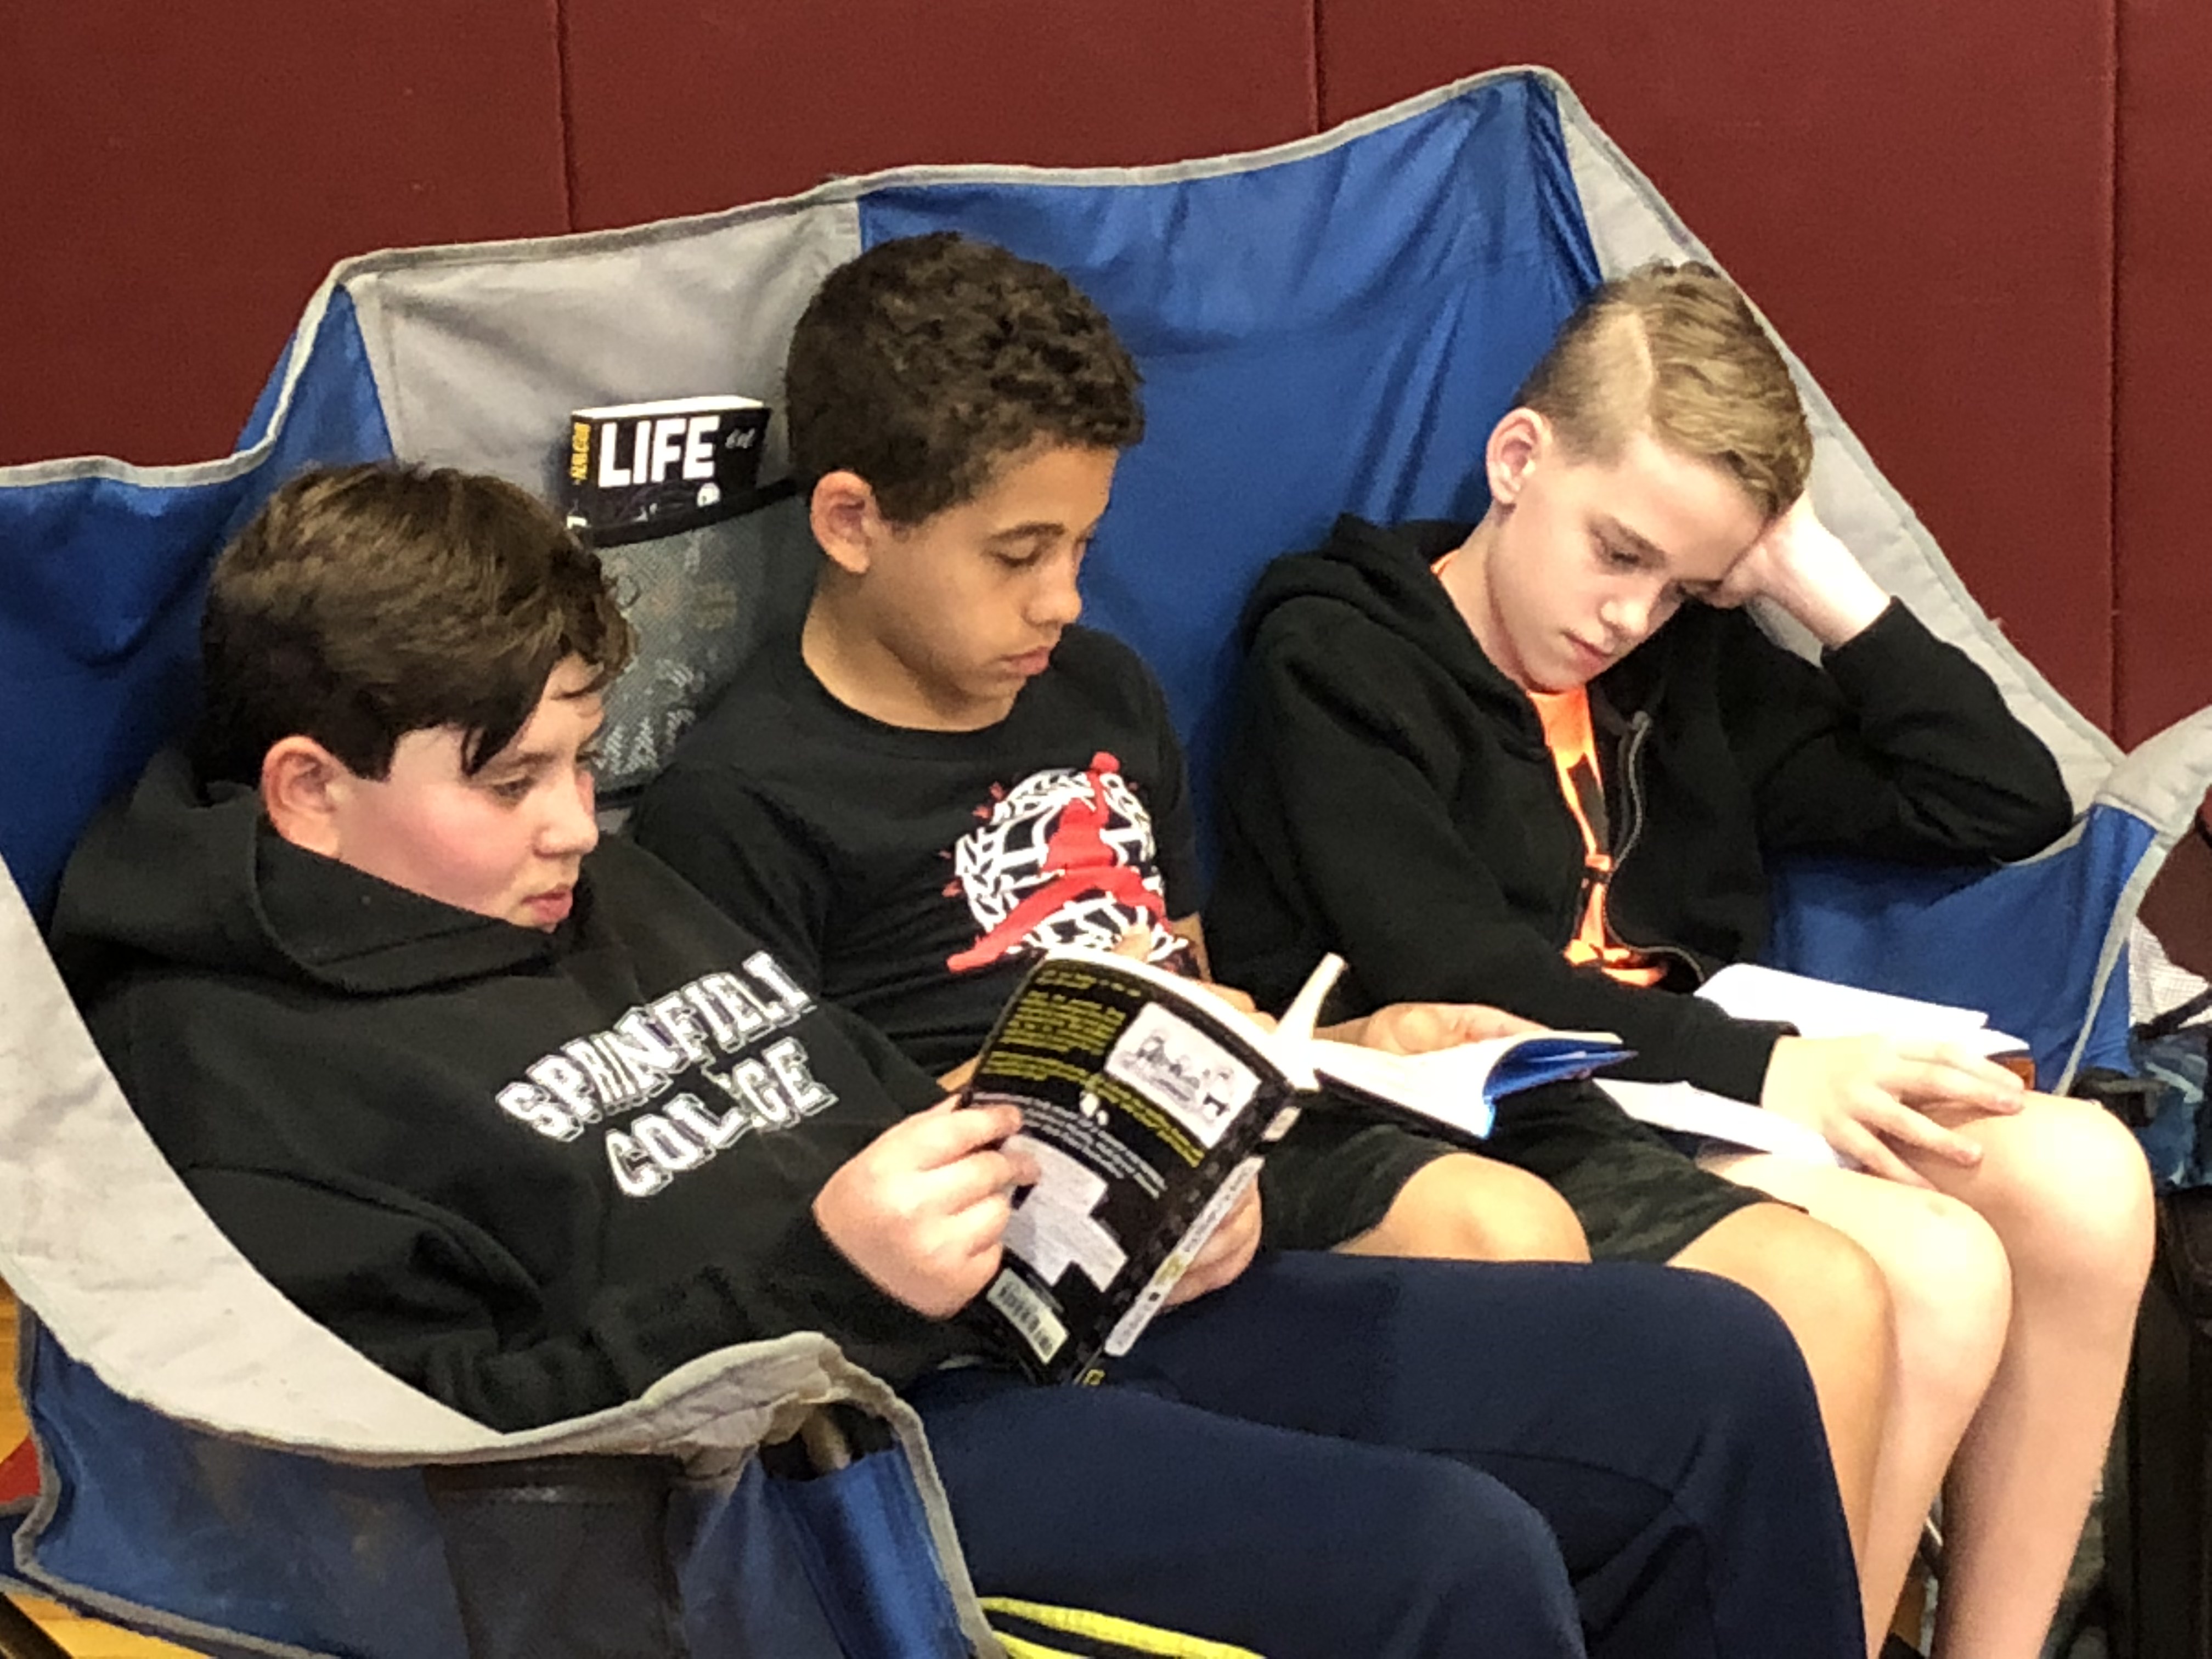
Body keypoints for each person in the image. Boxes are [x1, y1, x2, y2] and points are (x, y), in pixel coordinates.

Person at [50, 462, 1865, 1659]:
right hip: (803, 1485)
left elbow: (863, 1096)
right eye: (511, 779)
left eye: (582, 763)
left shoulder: (599, 887)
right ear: (310, 790)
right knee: (1450, 1562)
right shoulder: (221, 1067)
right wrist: (814, 1276)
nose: (574, 826)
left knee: (1699, 1357)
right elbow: (440, 1452)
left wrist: (1143, 1197)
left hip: (1003, 1315)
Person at [627, 231, 1901, 1633]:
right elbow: (777, 1196)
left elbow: (1190, 994)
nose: (1061, 599)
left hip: (1215, 1232)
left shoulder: (1099, 692)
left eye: (1084, 549)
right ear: (855, 523)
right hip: (986, 1343)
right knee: (1467, 1526)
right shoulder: (739, 805)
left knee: (1731, 1357)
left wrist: (1354, 1046)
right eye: (1017, 555)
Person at [1205, 260, 2154, 1658]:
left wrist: (1806, 577)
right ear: (1518, 460)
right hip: (1514, 1105)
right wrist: (1778, 1075)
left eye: (1686, 580)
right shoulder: (1336, 650)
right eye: (1619, 552)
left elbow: (1994, 797)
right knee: (1938, 1276)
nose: (1631, 614)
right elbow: (1457, 972)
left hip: (1694, 1085)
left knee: (2088, 1176)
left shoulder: (1677, 663)